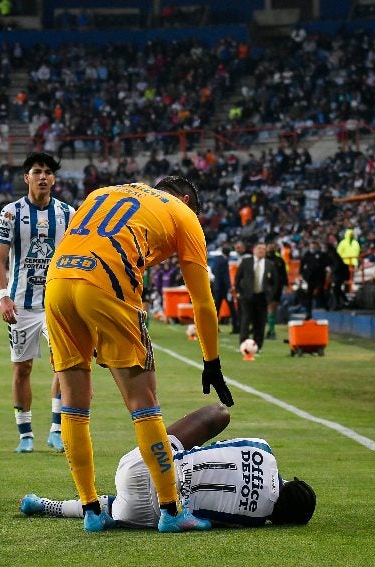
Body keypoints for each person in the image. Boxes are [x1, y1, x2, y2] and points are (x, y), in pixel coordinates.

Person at [44, 176, 234, 533]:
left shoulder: (105, 192)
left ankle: (90, 511)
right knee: (143, 404)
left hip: (57, 283)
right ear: (187, 199)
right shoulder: (183, 213)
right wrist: (211, 360)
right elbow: (202, 301)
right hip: (106, 283)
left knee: (73, 404)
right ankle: (172, 511)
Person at [19, 404, 316, 528]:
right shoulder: (257, 519)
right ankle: (44, 505)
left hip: (142, 465)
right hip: (152, 513)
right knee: (113, 506)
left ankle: (152, 429)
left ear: (290, 481)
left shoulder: (263, 450)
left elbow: (219, 449)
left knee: (219, 414)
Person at [0, 152, 76, 453]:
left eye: (48, 172)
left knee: (64, 367)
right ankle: (25, 434)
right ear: (26, 177)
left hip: (57, 304)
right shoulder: (10, 213)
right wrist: (3, 298)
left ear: (54, 178)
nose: (43, 176)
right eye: (37, 171)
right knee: (22, 368)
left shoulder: (69, 213)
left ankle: (56, 429)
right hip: (22, 305)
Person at [234, 242, 277, 352]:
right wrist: (239, 293)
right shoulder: (246, 262)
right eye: (259, 248)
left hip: (262, 297)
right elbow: (238, 278)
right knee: (246, 320)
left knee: (260, 322)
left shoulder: (270, 264)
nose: (261, 250)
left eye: (263, 248)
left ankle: (258, 345)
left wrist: (270, 295)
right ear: (254, 250)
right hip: (247, 297)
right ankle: (243, 344)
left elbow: (274, 282)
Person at [208, 246, 239, 334]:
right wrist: (229, 287)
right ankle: (236, 327)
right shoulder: (224, 261)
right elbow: (225, 276)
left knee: (216, 309)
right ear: (228, 254)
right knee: (232, 308)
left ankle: (213, 327)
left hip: (217, 288)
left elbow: (214, 271)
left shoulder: (216, 259)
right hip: (224, 289)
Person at [299, 240, 329, 320]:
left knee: (320, 292)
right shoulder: (307, 254)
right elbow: (302, 265)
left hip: (320, 277)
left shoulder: (322, 255)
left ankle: (324, 306)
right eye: (311, 246)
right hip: (310, 278)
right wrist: (302, 274)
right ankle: (308, 312)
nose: (312, 248)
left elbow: (326, 263)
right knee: (309, 295)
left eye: (314, 246)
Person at [266, 242, 288, 340]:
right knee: (266, 308)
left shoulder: (279, 260)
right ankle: (270, 330)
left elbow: (284, 274)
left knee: (272, 307)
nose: (271, 247)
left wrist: (286, 285)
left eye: (273, 245)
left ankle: (271, 330)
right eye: (269, 245)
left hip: (276, 287)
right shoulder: (263, 259)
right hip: (264, 286)